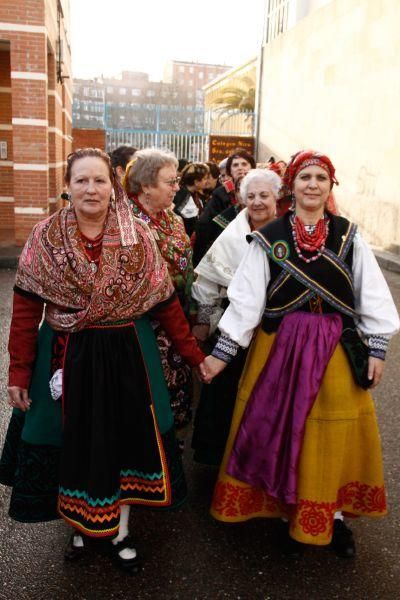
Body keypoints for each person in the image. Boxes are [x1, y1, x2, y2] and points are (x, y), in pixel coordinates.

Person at [0, 148, 206, 572]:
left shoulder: (139, 237)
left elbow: (167, 304)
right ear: (68, 186)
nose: (90, 189)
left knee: (128, 443)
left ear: (112, 187)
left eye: (99, 180)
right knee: (73, 442)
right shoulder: (44, 238)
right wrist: (19, 370)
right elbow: (24, 311)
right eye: (82, 181)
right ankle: (79, 526)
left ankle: (122, 531)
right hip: (65, 353)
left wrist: (194, 356)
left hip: (129, 353)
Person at [202, 150, 399, 558]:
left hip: (336, 353)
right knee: (279, 427)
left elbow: (372, 295)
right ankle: (284, 513)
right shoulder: (269, 237)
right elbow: (246, 300)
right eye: (304, 177)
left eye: (320, 178)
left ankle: (335, 518)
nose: (312, 184)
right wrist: (221, 354)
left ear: (330, 187)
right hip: (278, 349)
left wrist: (376, 349)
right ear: (291, 186)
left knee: (332, 431)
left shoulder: (349, 235)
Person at [191, 169, 281, 465]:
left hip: (276, 329)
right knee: (227, 393)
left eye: (263, 196)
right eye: (250, 196)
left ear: (276, 198)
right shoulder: (231, 235)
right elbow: (208, 282)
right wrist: (204, 322)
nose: (256, 202)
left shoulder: (286, 234)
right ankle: (220, 458)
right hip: (233, 323)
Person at [123, 149, 197, 449]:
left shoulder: (174, 220)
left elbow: (188, 271)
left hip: (178, 319)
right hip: (143, 326)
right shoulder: (123, 224)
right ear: (145, 186)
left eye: (177, 180)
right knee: (147, 394)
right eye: (170, 181)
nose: (177, 187)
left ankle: (171, 461)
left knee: (178, 388)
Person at [193, 149, 256, 266]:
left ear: (252, 167)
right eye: (235, 165)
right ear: (230, 171)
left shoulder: (260, 188)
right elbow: (204, 224)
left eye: (244, 164)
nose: (240, 168)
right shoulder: (221, 193)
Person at [173, 162, 210, 237]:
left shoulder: (196, 195)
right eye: (205, 178)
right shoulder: (183, 196)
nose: (207, 181)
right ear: (196, 182)